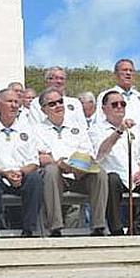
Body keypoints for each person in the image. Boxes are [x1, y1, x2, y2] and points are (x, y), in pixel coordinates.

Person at [92, 90, 140, 235]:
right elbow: (100, 153)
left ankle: (139, 228)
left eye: (122, 104)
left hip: (136, 178)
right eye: (115, 104)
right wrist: (119, 131)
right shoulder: (96, 129)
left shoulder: (134, 130)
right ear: (104, 109)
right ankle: (116, 230)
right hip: (115, 178)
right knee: (111, 179)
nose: (120, 107)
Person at [35, 87, 109, 237]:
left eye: (60, 101)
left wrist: (78, 167)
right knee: (51, 171)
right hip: (56, 176)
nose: (58, 106)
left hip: (79, 173)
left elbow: (88, 154)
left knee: (100, 173)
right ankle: (55, 227)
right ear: (43, 110)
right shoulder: (36, 129)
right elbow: (38, 156)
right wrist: (58, 163)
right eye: (52, 104)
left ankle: (99, 226)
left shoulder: (77, 127)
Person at [0, 88, 44, 238]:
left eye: (16, 102)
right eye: (9, 101)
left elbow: (34, 161)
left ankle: (29, 230)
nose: (14, 105)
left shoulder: (27, 129)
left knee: (35, 178)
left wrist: (20, 172)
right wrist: (4, 173)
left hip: (22, 175)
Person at [95, 59, 140, 131]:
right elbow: (100, 122)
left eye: (131, 70)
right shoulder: (105, 96)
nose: (128, 73)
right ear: (116, 74)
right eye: (124, 70)